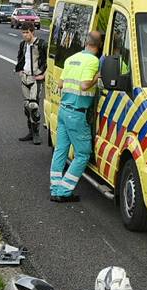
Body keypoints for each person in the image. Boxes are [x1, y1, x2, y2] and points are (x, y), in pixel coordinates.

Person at [49, 30, 103, 202]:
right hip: (77, 114)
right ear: (99, 45)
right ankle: (64, 191)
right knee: (83, 154)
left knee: (60, 150)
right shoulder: (93, 61)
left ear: (86, 42)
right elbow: (85, 85)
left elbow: (60, 83)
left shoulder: (72, 58)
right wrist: (97, 78)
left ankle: (55, 188)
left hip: (64, 110)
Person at [14, 24, 48, 144]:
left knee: (34, 106)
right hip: (25, 77)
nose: (24, 35)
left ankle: (36, 134)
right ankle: (30, 132)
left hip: (35, 79)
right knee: (26, 106)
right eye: (23, 32)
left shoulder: (42, 44)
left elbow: (49, 60)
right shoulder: (23, 44)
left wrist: (44, 75)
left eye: (26, 32)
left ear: (32, 32)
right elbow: (20, 58)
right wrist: (20, 70)